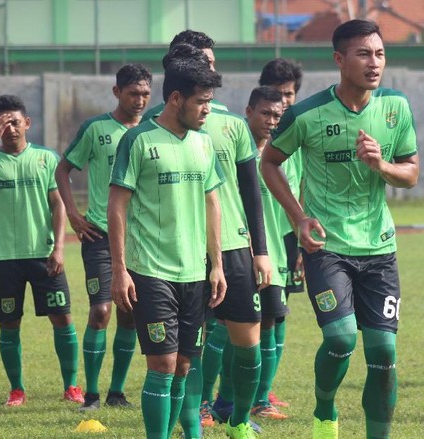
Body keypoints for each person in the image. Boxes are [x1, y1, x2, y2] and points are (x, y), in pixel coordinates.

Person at [261, 19, 419, 439]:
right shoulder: (307, 113)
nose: (374, 63)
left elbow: (411, 173)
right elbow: (269, 162)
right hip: (327, 247)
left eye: (380, 54)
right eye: (364, 54)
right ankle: (325, 409)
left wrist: (382, 165)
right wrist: (298, 217)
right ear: (339, 59)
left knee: (384, 350)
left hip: (380, 247)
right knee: (341, 338)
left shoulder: (395, 107)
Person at [151, 32, 272, 439]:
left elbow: (251, 190)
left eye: (212, 62)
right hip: (182, 253)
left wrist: (262, 250)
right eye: (201, 62)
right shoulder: (155, 127)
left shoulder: (232, 124)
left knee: (249, 342)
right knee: (189, 350)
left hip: (235, 247)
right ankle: (192, 423)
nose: (210, 69)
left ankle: (238, 420)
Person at [108, 57, 226, 439]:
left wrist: (217, 265)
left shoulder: (205, 143)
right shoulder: (138, 139)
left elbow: (212, 204)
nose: (207, 109)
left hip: (194, 272)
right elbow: (117, 205)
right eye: (201, 101)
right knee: (161, 363)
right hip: (150, 271)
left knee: (183, 367)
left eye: (210, 101)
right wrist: (119, 268)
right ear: (176, 98)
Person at [0, 94, 83, 407]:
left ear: (27, 123)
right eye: (4, 123)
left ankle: (71, 386)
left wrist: (59, 248)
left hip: (44, 255)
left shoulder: (45, 158)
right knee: (9, 323)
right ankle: (16, 389)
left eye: (15, 122)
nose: (11, 128)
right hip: (5, 258)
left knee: (63, 318)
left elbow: (57, 205)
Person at [55, 63, 152, 410]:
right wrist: (73, 215)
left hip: (141, 238)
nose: (139, 100)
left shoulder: (154, 129)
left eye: (145, 93)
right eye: (132, 93)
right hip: (99, 233)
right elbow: (63, 168)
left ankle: (117, 393)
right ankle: (91, 394)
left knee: (129, 313)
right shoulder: (96, 129)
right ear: (117, 92)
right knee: (101, 311)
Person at [257, 58, 305, 409]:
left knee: (281, 311)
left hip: (288, 237)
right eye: (279, 94)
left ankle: (266, 389)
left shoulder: (299, 133)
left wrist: (302, 239)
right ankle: (253, 395)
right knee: (258, 318)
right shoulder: (254, 137)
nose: (285, 101)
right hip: (258, 239)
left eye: (290, 94)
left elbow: (303, 188)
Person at [245, 86, 290, 420]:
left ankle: (262, 400)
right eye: (265, 114)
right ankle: (218, 400)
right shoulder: (237, 151)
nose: (271, 121)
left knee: (272, 322)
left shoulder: (284, 156)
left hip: (275, 255)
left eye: (277, 116)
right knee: (233, 328)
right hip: (238, 255)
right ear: (249, 111)